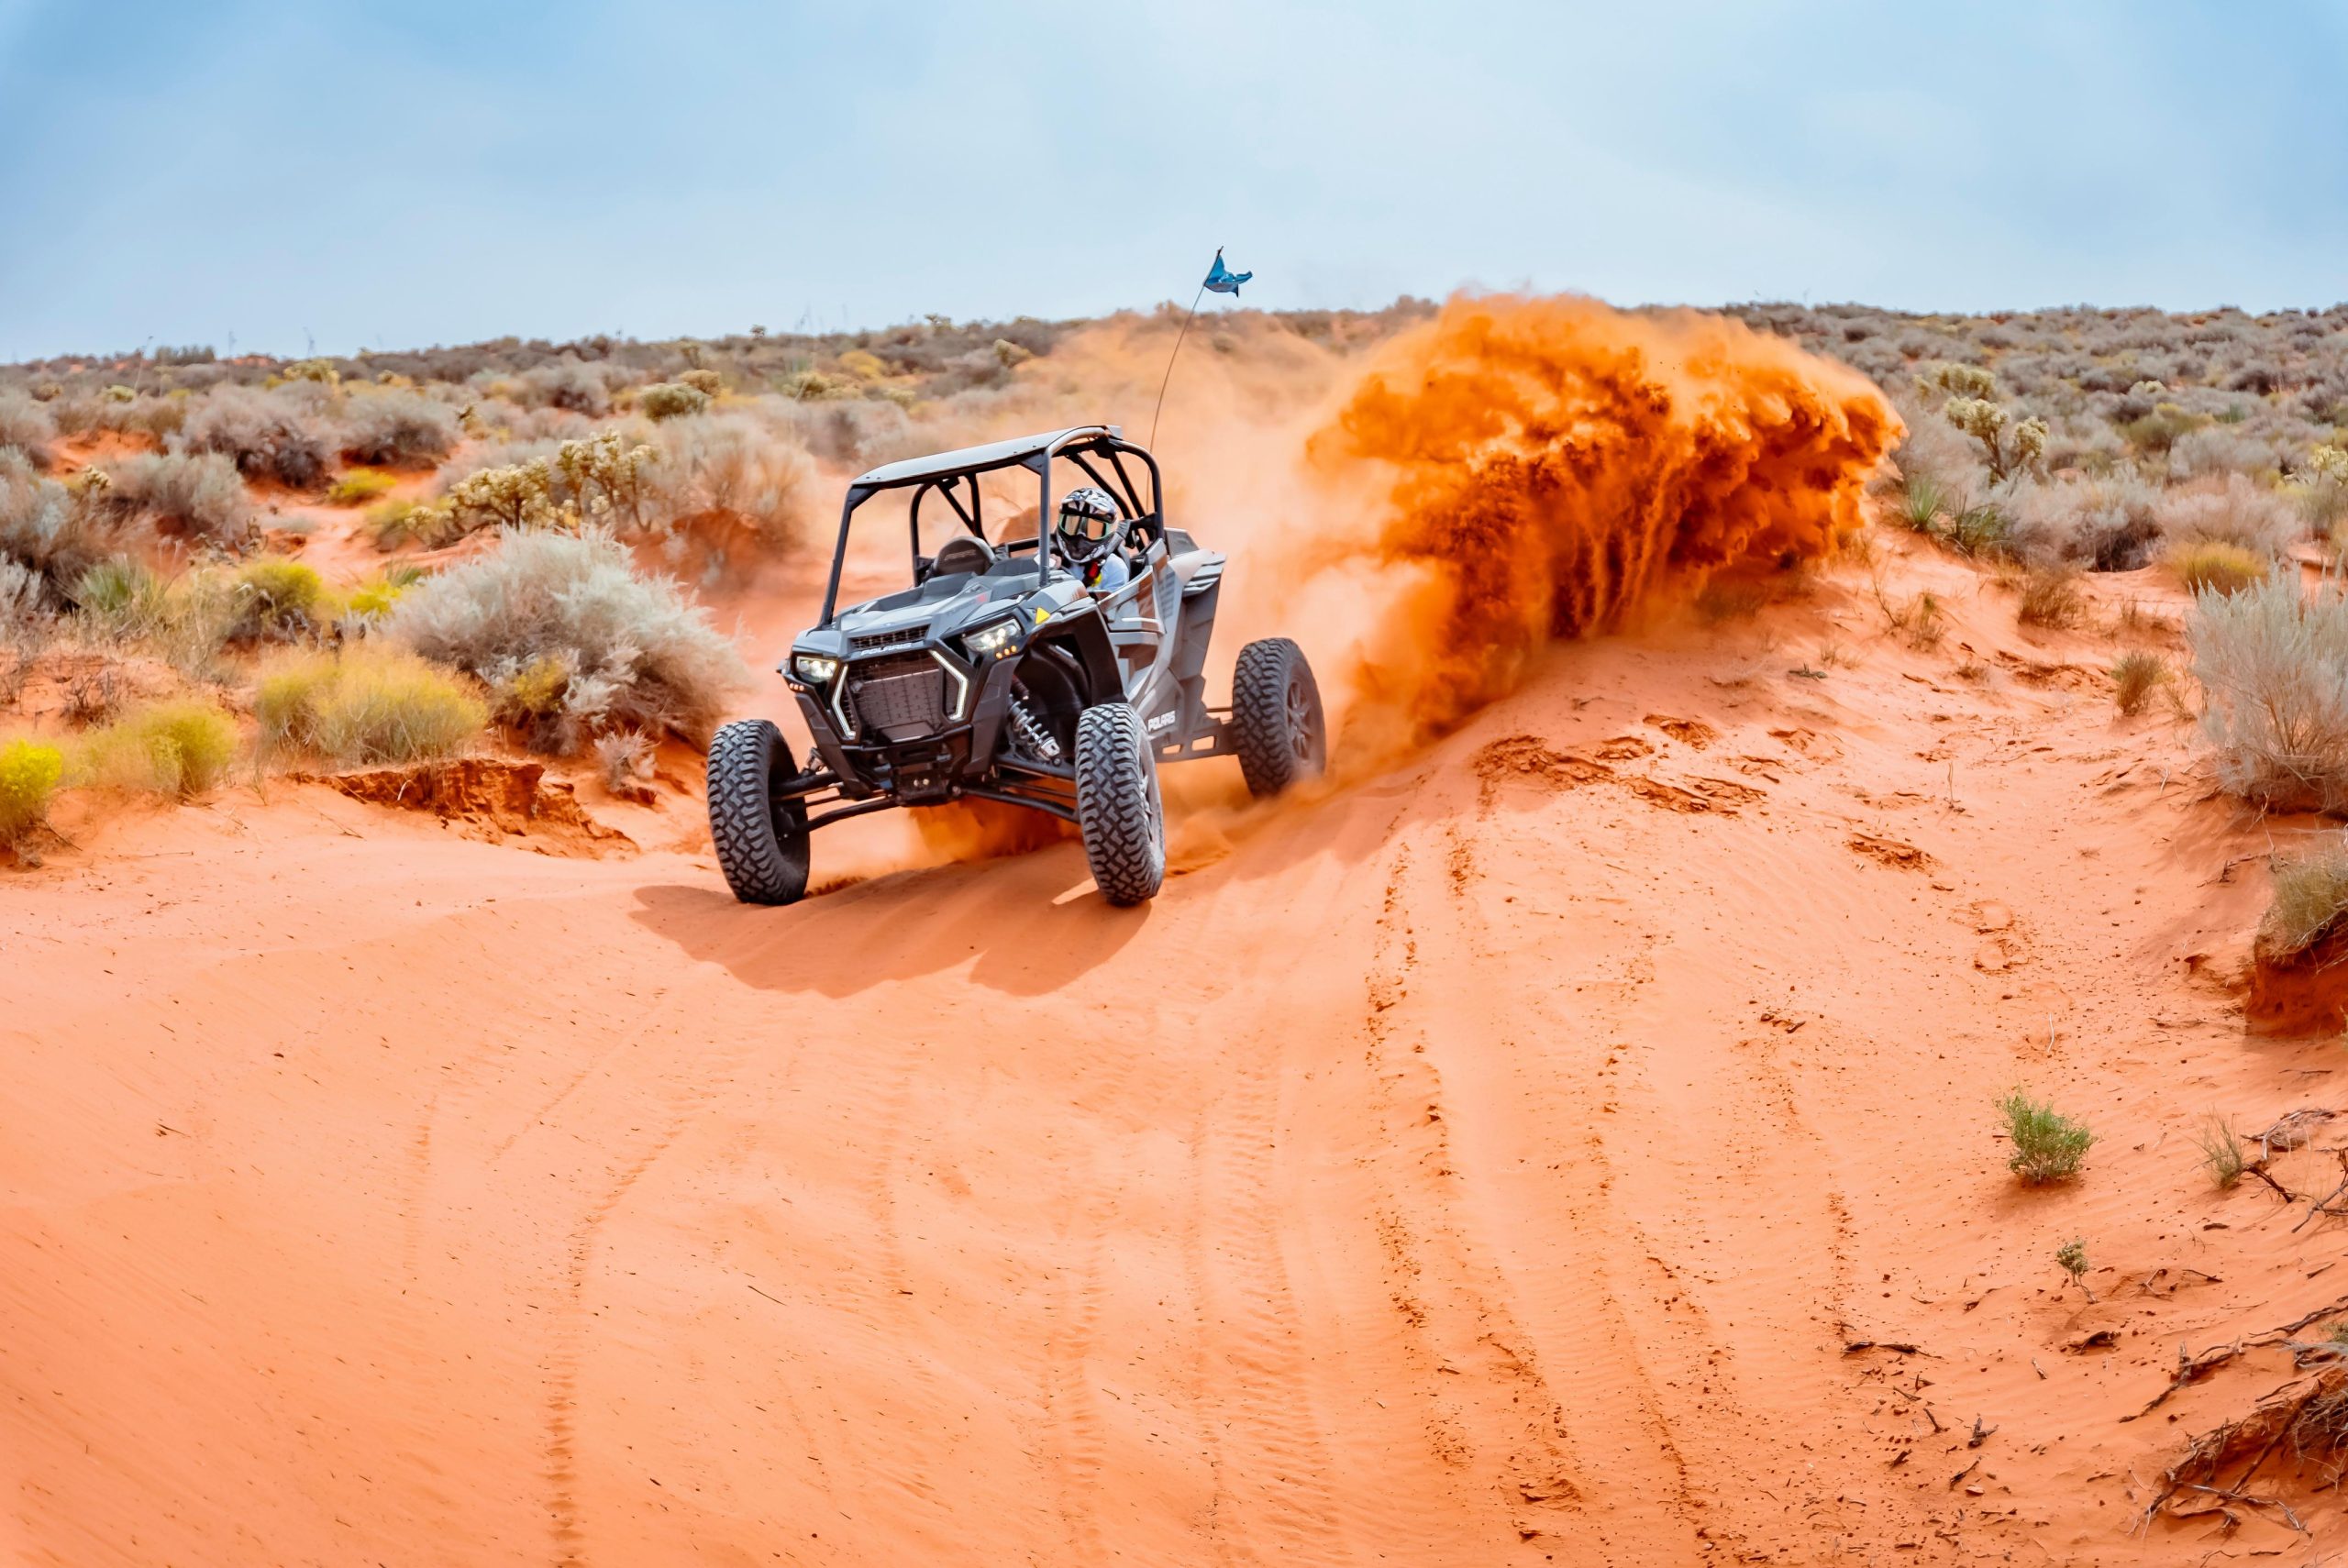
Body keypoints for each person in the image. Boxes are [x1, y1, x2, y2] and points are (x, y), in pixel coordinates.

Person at [1053, 486, 1130, 593]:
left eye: (1093, 529)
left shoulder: (1115, 568)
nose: (1080, 537)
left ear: (1109, 532)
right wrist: (1046, 568)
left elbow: (1111, 609)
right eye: (1072, 524)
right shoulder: (1048, 557)